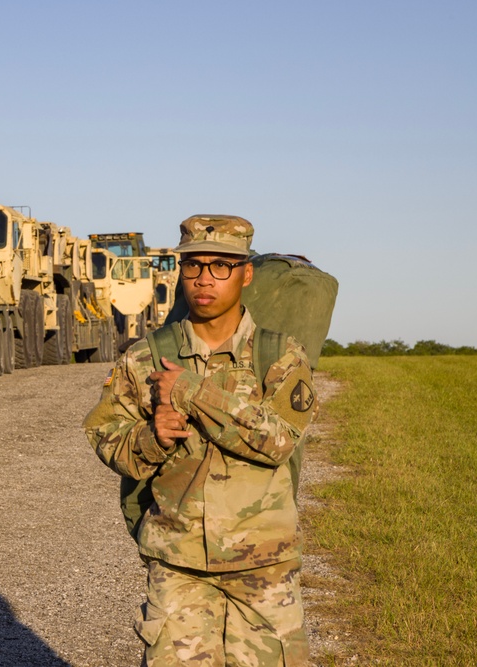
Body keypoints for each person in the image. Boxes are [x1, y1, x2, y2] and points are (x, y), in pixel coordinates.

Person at [84, 214, 316, 666]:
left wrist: (192, 392)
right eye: (193, 266)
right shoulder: (146, 356)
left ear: (246, 274)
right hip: (178, 566)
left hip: (263, 567)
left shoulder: (280, 355)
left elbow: (279, 442)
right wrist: (152, 439)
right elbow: (104, 433)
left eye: (221, 265)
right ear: (180, 271)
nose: (205, 278)